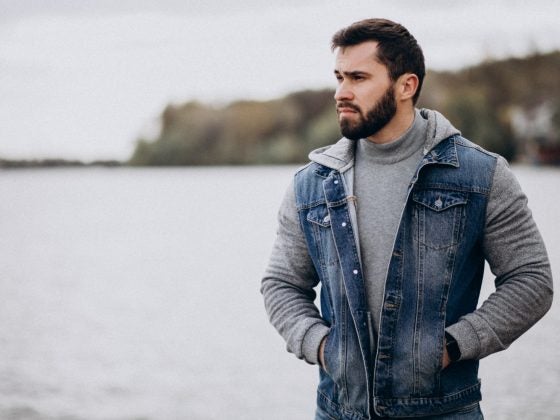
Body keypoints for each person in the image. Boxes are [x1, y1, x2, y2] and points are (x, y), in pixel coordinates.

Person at [261, 18, 554, 420]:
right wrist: (323, 347)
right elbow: (281, 284)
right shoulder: (312, 184)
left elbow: (531, 280)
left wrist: (453, 346)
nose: (341, 92)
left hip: (444, 411)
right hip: (340, 411)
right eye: (339, 77)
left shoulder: (481, 175)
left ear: (406, 86)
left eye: (358, 78)